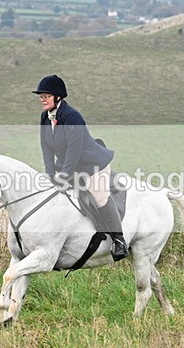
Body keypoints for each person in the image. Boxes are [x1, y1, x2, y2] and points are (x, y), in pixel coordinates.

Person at [33, 74, 128, 261]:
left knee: (99, 196)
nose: (42, 100)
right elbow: (45, 146)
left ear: (58, 97)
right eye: (41, 96)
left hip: (92, 164)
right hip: (69, 163)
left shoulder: (72, 116)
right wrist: (50, 173)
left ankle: (119, 240)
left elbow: (74, 152)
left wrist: (63, 176)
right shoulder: (45, 117)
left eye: (46, 96)